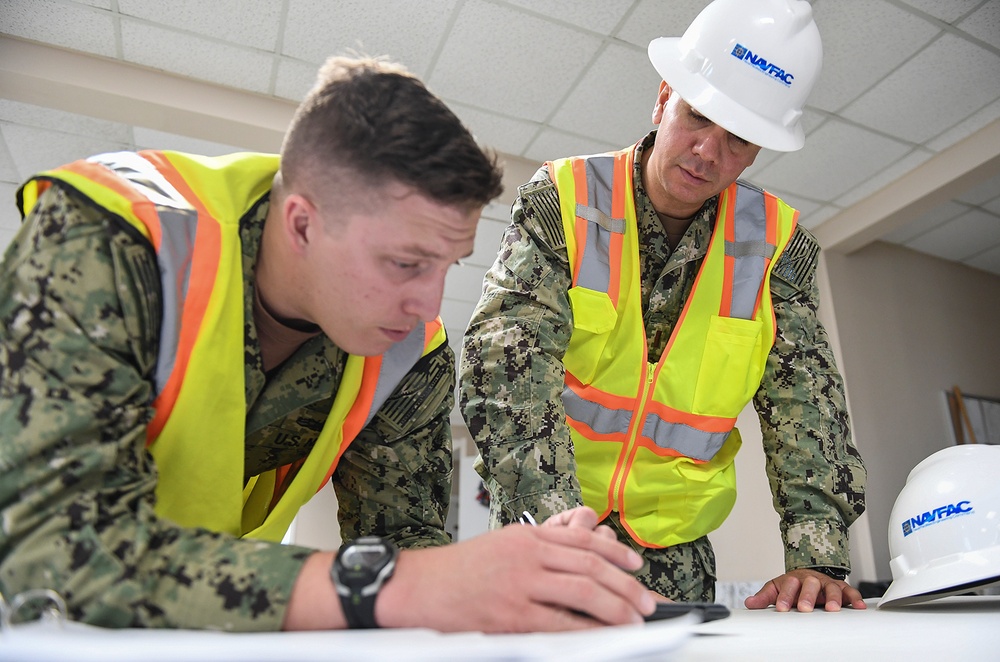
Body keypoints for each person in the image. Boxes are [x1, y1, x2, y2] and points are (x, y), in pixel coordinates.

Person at [0, 55, 656, 633]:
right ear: (303, 224)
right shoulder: (108, 242)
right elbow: (56, 550)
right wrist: (403, 586)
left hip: (182, 629)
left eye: (447, 267)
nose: (429, 305)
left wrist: (519, 577)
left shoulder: (410, 355)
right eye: (405, 263)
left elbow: (404, 548)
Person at [460, 0, 867, 613]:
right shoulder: (565, 203)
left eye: (739, 139)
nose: (708, 152)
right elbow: (505, 363)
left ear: (758, 151)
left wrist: (818, 556)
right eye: (697, 117)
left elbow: (806, 407)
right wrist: (556, 525)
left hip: (676, 554)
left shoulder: (776, 249)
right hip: (551, 525)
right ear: (662, 98)